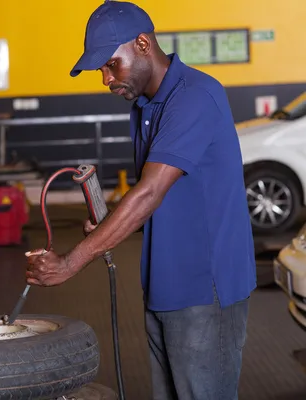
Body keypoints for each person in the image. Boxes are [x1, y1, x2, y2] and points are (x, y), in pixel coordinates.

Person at [25, 1, 257, 399]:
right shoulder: (147, 108)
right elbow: (164, 198)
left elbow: (150, 191)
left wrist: (71, 262)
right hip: (164, 285)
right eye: (101, 69)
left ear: (143, 44)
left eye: (111, 64)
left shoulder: (195, 95)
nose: (105, 79)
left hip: (205, 289)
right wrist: (112, 223)